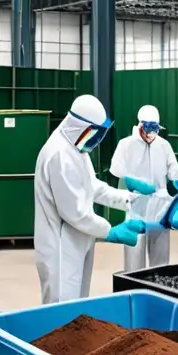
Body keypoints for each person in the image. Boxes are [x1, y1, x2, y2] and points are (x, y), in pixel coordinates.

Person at [34, 94, 152, 304]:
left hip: (80, 240)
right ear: (81, 127)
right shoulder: (59, 154)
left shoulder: (77, 149)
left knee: (78, 306)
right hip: (61, 247)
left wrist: (127, 198)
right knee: (62, 307)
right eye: (95, 134)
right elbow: (74, 213)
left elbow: (92, 187)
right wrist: (111, 231)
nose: (96, 141)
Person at [110, 104, 178, 272]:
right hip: (135, 207)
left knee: (160, 261)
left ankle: (159, 290)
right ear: (140, 125)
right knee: (134, 260)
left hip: (160, 208)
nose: (152, 133)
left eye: (156, 128)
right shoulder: (126, 144)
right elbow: (116, 168)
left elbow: (173, 169)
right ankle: (134, 287)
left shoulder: (164, 145)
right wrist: (132, 181)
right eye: (149, 128)